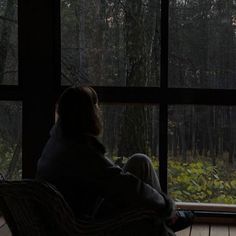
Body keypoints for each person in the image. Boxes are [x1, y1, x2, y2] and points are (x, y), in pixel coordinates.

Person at [36, 86, 192, 235]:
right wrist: (166, 205)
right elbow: (124, 185)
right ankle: (167, 218)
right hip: (88, 221)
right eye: (95, 107)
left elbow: (110, 178)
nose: (99, 110)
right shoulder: (79, 152)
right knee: (135, 191)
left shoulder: (60, 141)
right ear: (87, 114)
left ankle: (167, 218)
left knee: (140, 161)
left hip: (85, 208)